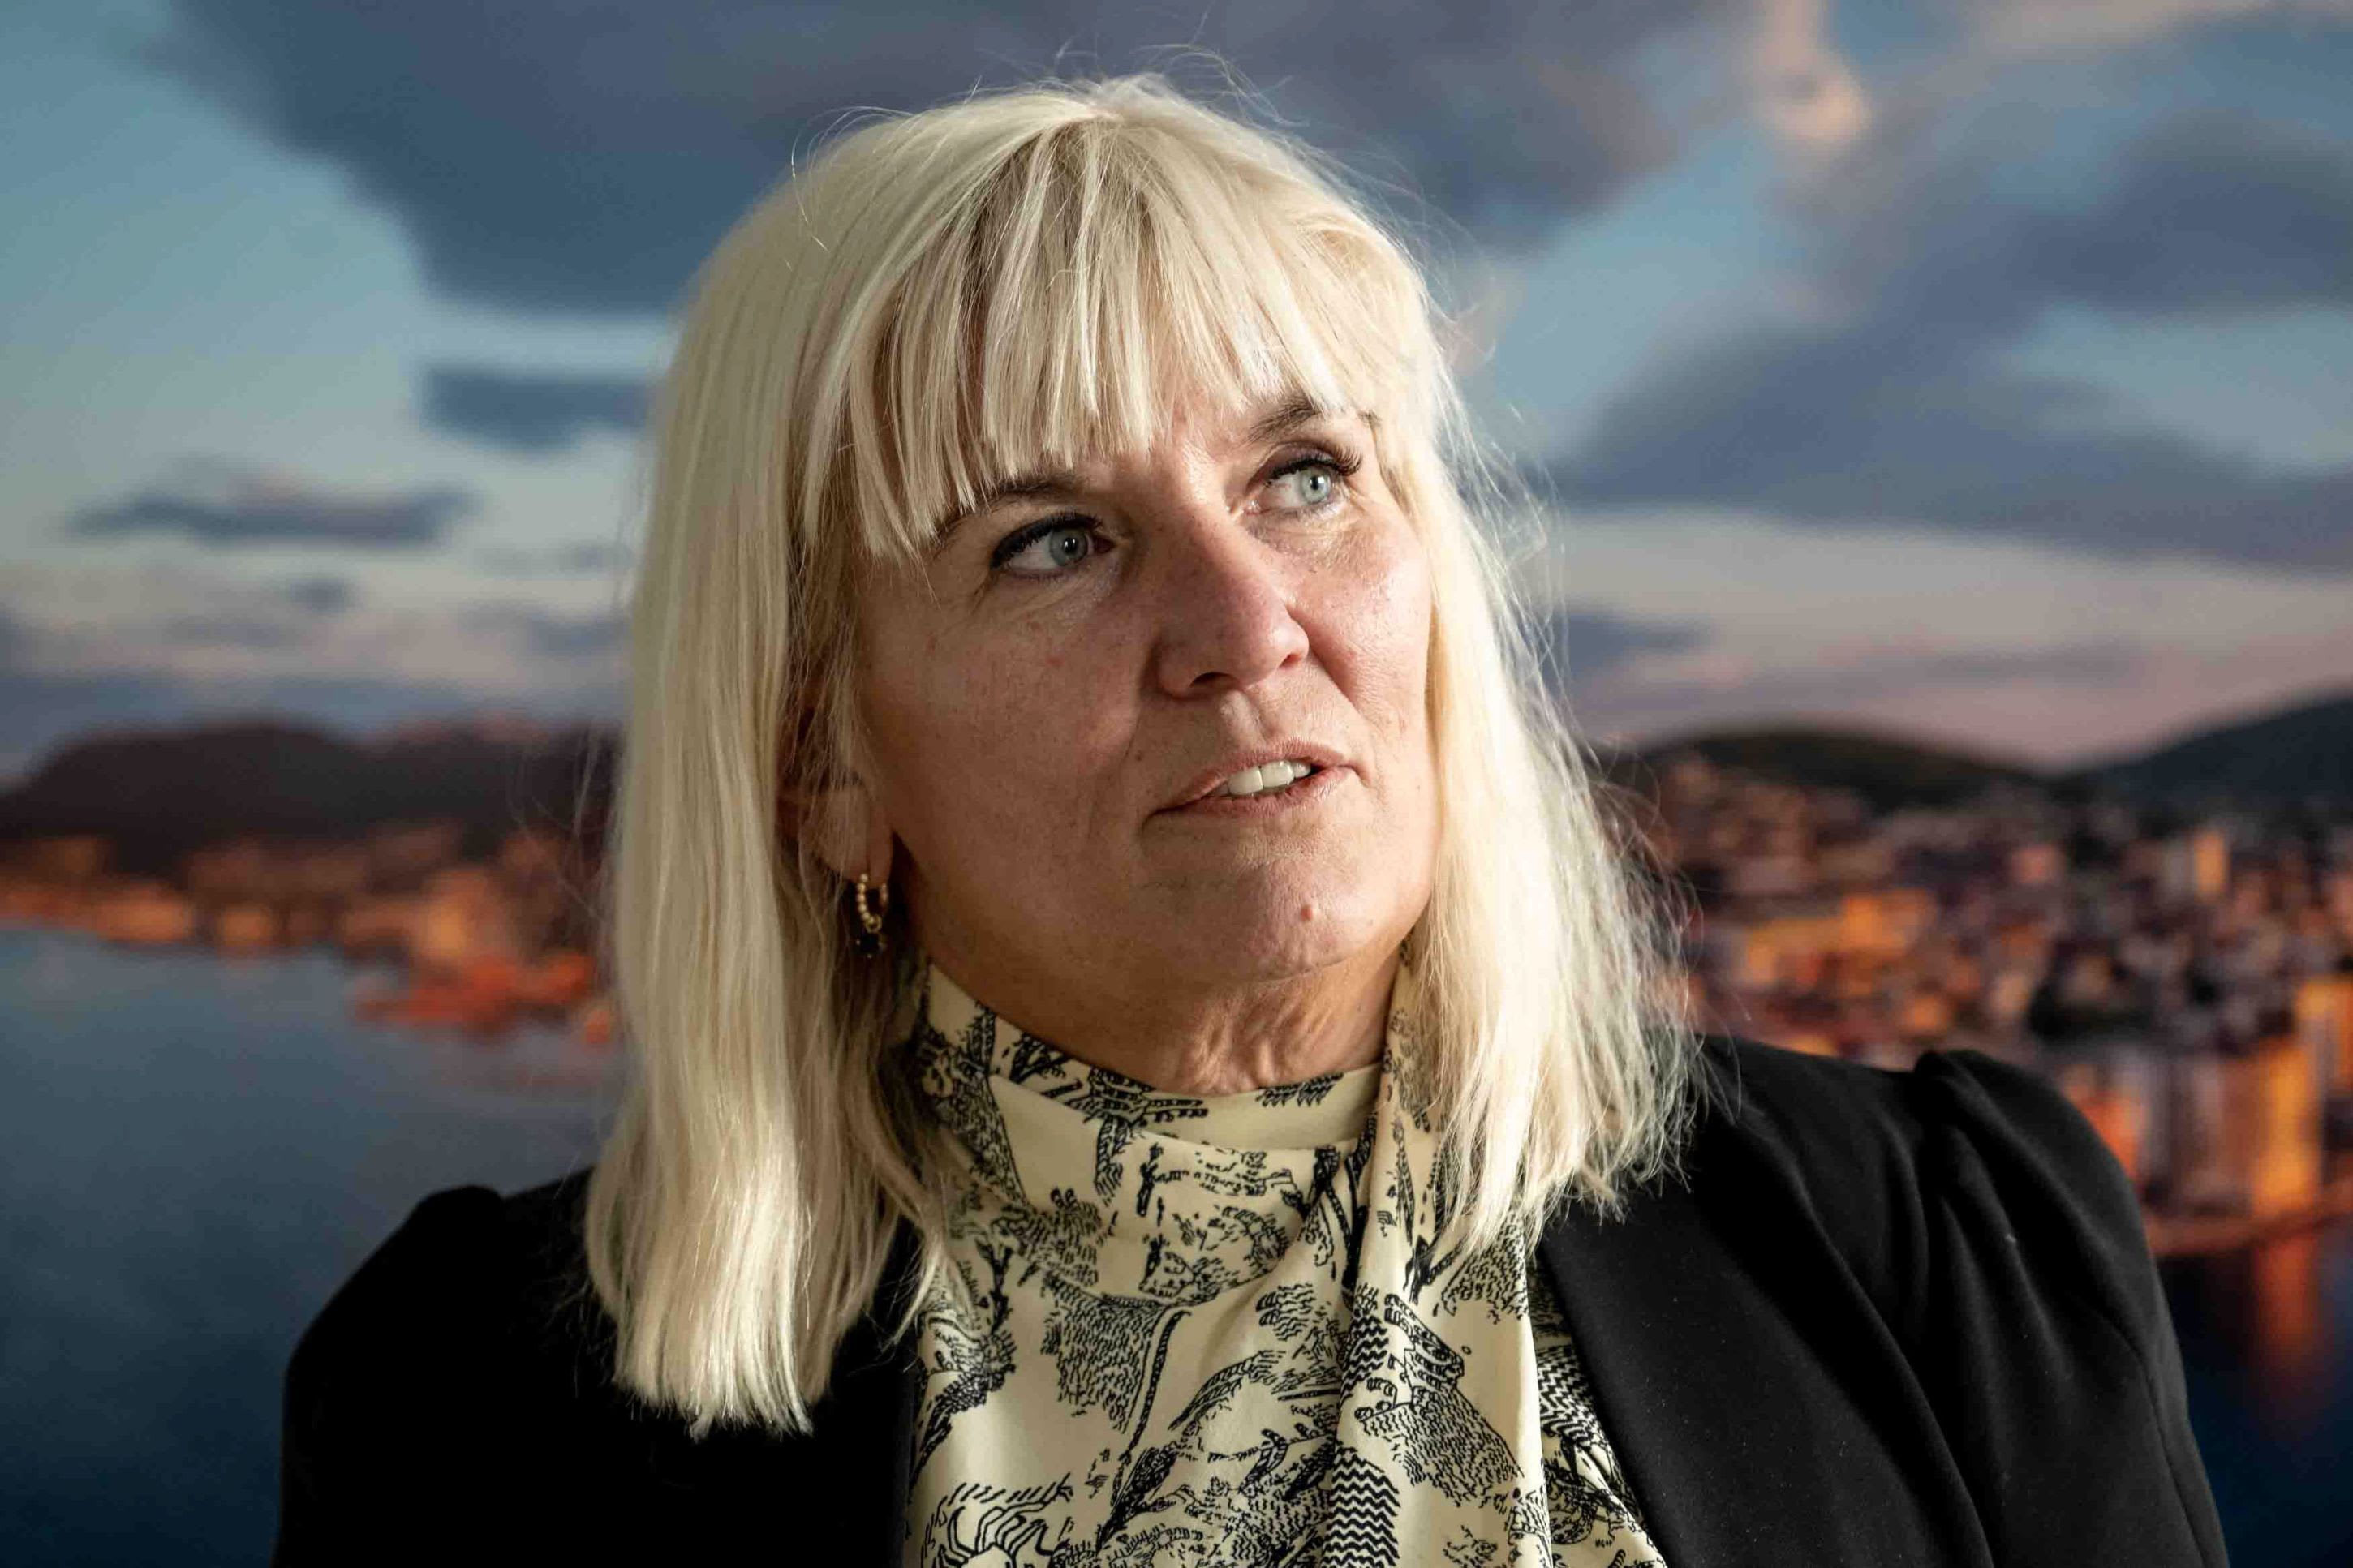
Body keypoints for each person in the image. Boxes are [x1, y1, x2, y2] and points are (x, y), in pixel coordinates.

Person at [273, 75, 2226, 1567]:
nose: (1243, 625)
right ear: (818, 758)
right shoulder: (467, 1407)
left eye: (1303, 476)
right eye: (1052, 539)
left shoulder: (1948, 1244)